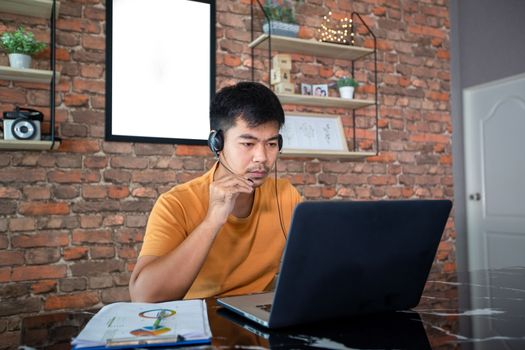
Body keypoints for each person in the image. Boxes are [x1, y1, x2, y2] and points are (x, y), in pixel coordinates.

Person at [129, 82, 302, 302]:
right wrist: (212, 221)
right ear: (216, 143)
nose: (262, 157)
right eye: (248, 143)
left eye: (271, 144)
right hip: (198, 323)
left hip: (258, 322)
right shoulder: (176, 203)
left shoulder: (286, 196)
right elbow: (144, 297)